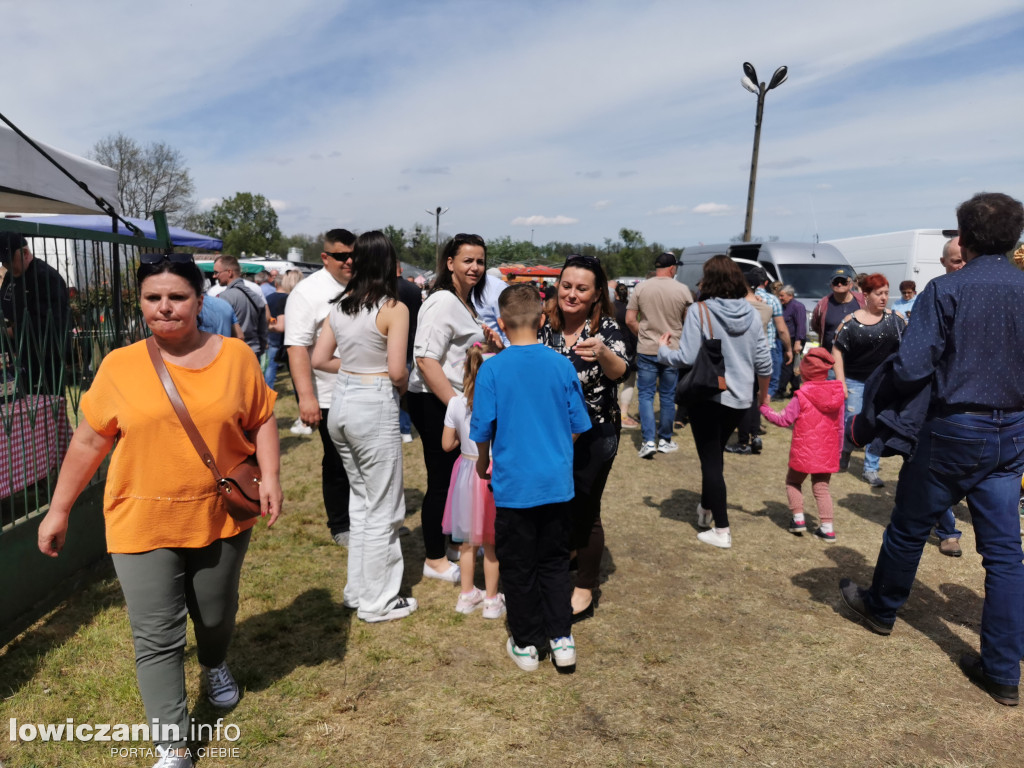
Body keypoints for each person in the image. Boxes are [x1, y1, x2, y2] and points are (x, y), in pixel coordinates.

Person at [36, 252, 281, 768]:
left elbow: (260, 418)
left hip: (219, 514)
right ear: (141, 302)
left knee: (215, 615)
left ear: (199, 299)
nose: (165, 308)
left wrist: (273, 477)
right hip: (138, 517)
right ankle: (172, 745)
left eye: (177, 297)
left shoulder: (235, 356)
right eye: (153, 298)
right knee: (156, 635)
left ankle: (214, 664)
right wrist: (58, 510)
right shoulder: (119, 365)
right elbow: (86, 443)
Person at [838, 192, 1024, 707]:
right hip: (1011, 432)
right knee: (1006, 554)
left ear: (963, 237)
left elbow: (914, 365)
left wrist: (877, 402)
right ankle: (1003, 669)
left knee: (909, 525)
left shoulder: (945, 290)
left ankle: (881, 607)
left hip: (953, 429)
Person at [470, 284, 591, 671]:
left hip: (513, 487)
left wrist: (482, 461)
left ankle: (526, 642)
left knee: (519, 566)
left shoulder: (492, 369)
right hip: (555, 483)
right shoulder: (561, 364)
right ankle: (561, 637)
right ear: (543, 319)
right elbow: (577, 424)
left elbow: (483, 428)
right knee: (555, 562)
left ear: (501, 324)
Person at [311, 231, 414, 623]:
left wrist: (356, 370)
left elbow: (320, 359)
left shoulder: (339, 306)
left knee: (362, 501)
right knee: (384, 506)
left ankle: (359, 590)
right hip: (373, 404)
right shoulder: (393, 308)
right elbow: (396, 371)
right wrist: (398, 381)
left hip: (342, 401)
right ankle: (379, 601)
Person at [657, 255, 771, 549]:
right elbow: (764, 362)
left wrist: (662, 351)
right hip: (740, 399)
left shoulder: (699, 311)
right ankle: (706, 511)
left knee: (711, 462)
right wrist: (762, 396)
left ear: (710, 280)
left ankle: (722, 529)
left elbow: (685, 357)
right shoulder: (753, 313)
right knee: (715, 457)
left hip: (708, 396)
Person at [540, 254, 630, 621]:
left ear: (596, 295)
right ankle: (563, 561)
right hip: (550, 434)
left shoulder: (607, 327)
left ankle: (584, 587)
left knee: (586, 508)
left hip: (596, 433)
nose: (571, 294)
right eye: (566, 286)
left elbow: (621, 371)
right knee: (556, 506)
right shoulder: (543, 323)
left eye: (581, 288)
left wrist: (603, 353)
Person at [408, 234, 489, 583]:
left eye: (480, 261)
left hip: (449, 401)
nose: (475, 267)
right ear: (449, 263)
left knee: (457, 478)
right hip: (434, 400)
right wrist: (455, 405)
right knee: (441, 479)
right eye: (467, 260)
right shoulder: (443, 301)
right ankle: (435, 558)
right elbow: (425, 359)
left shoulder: (463, 301)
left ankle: (454, 543)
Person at [284, 230, 355, 545]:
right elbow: (297, 347)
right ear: (325, 257)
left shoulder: (363, 285)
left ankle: (367, 520)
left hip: (366, 389)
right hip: (328, 393)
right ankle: (341, 524)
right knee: (338, 460)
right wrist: (306, 398)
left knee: (365, 460)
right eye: (341, 256)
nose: (349, 261)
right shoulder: (307, 292)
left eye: (354, 255)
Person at [440, 344, 503, 619]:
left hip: (465, 472)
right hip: (491, 473)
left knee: (467, 542)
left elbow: (446, 444)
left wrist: (461, 439)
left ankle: (466, 595)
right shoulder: (500, 402)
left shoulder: (455, 403)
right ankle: (491, 600)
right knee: (491, 543)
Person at [760, 347, 844, 540]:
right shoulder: (836, 394)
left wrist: (764, 408)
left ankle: (798, 519)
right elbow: (840, 426)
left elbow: (783, 419)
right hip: (827, 451)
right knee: (821, 487)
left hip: (804, 451)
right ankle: (827, 527)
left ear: (805, 372)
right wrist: (838, 451)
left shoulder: (802, 395)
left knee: (793, 481)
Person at [832, 273, 907, 487]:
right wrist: (841, 381)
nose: (884, 298)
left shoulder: (896, 321)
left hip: (884, 383)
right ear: (866, 295)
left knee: (877, 423)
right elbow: (836, 350)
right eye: (878, 293)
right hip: (855, 380)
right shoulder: (850, 323)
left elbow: (907, 348)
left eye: (886, 293)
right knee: (854, 421)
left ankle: (870, 469)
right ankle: (845, 452)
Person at [625, 251, 693, 458]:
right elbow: (688, 321)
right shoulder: (682, 290)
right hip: (672, 348)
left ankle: (648, 441)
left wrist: (644, 335)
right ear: (672, 268)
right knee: (667, 395)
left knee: (645, 395)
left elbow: (630, 319)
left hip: (646, 348)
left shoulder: (641, 287)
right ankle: (664, 439)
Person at [0, 232, 70, 395]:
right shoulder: (11, 276)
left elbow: (50, 324)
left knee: (47, 404)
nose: (6, 265)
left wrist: (11, 332)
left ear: (24, 253)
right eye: (3, 261)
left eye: (9, 260)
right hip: (20, 357)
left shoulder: (46, 277)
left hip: (47, 357)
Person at [725, 271, 774, 455]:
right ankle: (755, 435)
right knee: (753, 398)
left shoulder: (735, 307)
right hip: (759, 355)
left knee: (742, 399)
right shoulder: (766, 309)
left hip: (739, 356)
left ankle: (743, 441)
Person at [213, 255, 268, 358]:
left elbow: (218, 330)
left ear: (229, 272)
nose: (214, 276)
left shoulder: (224, 297)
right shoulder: (255, 296)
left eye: (216, 272)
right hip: (254, 352)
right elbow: (263, 330)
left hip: (233, 354)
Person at [752, 267, 793, 398]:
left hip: (747, 347)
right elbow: (781, 329)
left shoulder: (741, 298)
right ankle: (764, 404)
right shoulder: (772, 300)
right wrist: (788, 349)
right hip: (767, 346)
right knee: (771, 382)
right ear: (765, 283)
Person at [396, 261, 422, 443]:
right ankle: (405, 428)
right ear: (401, 269)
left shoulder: (384, 288)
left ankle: (400, 427)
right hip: (412, 342)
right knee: (405, 387)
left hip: (393, 344)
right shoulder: (414, 289)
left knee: (395, 387)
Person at [810, 266, 864, 352]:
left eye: (843, 282)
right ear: (831, 285)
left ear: (851, 285)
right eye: (836, 282)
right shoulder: (823, 304)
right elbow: (816, 325)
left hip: (858, 356)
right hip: (829, 357)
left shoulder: (863, 301)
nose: (839, 284)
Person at [613, 282, 639, 429]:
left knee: (612, 383)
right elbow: (633, 332)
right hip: (628, 350)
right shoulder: (629, 310)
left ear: (615, 294)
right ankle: (622, 415)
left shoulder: (608, 308)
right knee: (628, 383)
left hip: (610, 350)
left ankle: (614, 413)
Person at [777, 285, 806, 397]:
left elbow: (801, 325)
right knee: (792, 366)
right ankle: (795, 390)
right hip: (785, 339)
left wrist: (798, 342)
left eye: (782, 295)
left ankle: (780, 391)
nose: (780, 298)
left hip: (794, 340)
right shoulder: (783, 306)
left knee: (787, 365)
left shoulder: (797, 307)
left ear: (790, 295)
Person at [263, 273, 290, 389]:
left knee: (271, 365)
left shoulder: (268, 298)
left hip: (272, 333)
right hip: (287, 335)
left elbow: (266, 318)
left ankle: (268, 388)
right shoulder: (290, 298)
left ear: (276, 283)